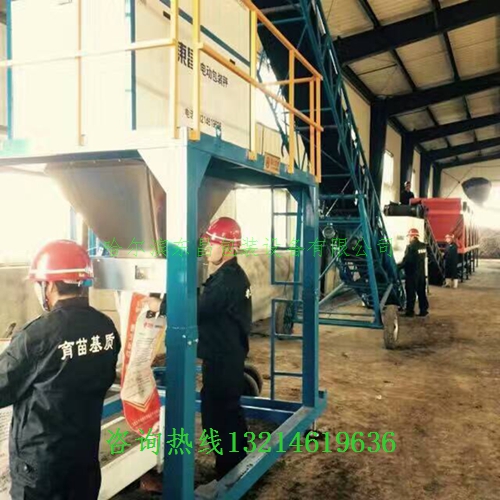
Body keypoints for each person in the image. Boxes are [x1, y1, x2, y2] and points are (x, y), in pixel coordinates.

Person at [0, 240, 120, 500]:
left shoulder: (36, 336)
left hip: (41, 469)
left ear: (50, 285)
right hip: (83, 460)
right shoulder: (106, 327)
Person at [145, 217, 252, 482]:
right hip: (227, 356)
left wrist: (161, 306)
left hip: (223, 359)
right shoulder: (230, 276)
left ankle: (230, 473)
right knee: (228, 412)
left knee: (218, 416)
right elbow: (205, 303)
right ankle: (236, 463)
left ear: (227, 247)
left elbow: (198, 309)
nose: (207, 249)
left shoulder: (227, 280)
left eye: (212, 244)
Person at [399, 228, 429, 317]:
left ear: (412, 236)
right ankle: (423, 310)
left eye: (409, 236)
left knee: (411, 293)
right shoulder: (423, 246)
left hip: (412, 274)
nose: (408, 238)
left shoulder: (410, 247)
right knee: (421, 293)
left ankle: (410, 312)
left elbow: (406, 261)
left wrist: (397, 267)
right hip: (421, 274)